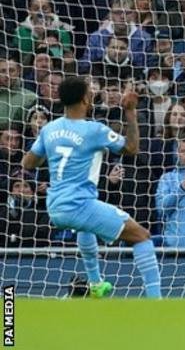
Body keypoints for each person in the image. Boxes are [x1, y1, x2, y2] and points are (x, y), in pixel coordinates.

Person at [20, 76, 162, 298]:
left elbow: (28, 164)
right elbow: (132, 148)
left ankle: (95, 283)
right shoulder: (95, 130)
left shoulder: (49, 130)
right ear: (86, 99)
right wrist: (131, 113)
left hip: (55, 206)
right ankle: (157, 302)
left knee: (86, 227)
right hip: (79, 204)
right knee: (141, 236)